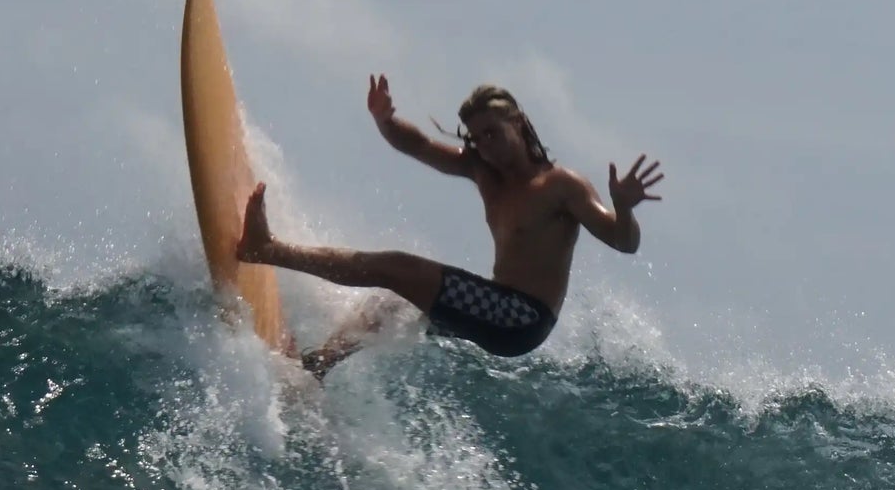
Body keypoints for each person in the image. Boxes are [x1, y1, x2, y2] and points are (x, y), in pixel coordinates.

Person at [237, 76, 662, 375]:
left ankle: (267, 249)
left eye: (493, 134)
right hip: (496, 304)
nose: (484, 147)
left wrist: (624, 209)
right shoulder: (484, 172)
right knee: (386, 306)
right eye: (476, 138)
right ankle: (316, 367)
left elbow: (623, 242)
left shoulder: (561, 186)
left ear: (518, 122)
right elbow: (418, 144)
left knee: (396, 267)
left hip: (523, 318)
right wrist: (386, 122)